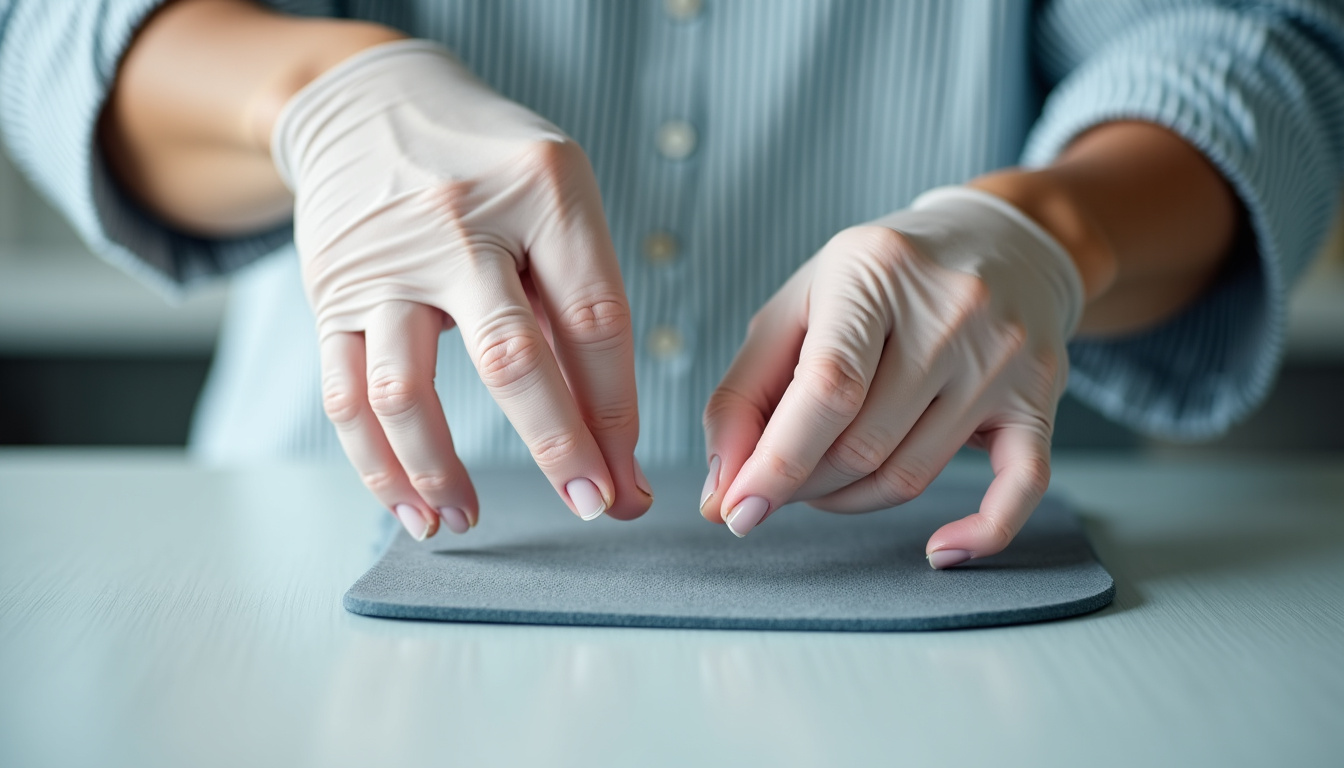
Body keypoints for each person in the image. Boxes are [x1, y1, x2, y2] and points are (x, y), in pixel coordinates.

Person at [2, 0, 1341, 567]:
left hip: (954, 584)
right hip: (311, 575)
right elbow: (54, 27)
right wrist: (312, 97)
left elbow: (1255, 46)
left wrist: (1055, 234)